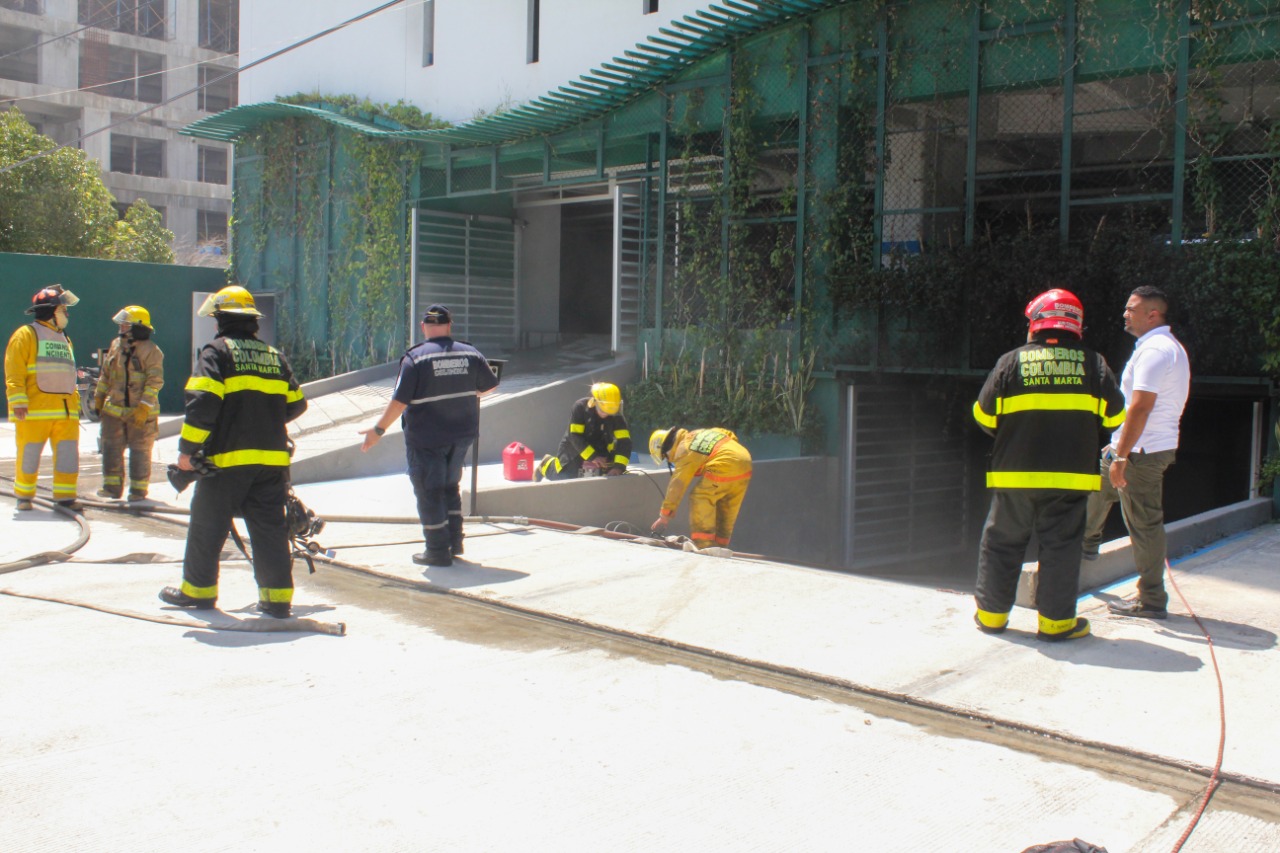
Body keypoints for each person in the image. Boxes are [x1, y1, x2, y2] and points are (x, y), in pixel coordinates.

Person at [972, 288, 1126, 642]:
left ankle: (992, 617)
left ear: (1037, 323)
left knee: (1002, 543)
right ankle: (1056, 624)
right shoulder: (1094, 364)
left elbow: (983, 415)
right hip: (1070, 481)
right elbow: (1115, 414)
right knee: (1061, 548)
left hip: (1014, 475)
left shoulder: (1010, 361)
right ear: (1076, 326)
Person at [159, 286, 307, 618]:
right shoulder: (274, 356)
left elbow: (202, 405)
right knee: (270, 530)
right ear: (252, 322)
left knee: (207, 526)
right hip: (271, 463)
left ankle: (197, 593)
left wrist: (187, 452)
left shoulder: (216, 352)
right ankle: (277, 600)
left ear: (222, 320)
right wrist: (264, 417)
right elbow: (297, 404)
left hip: (224, 463)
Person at [360, 304, 499, 567]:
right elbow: (490, 385)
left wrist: (377, 431)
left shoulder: (415, 359)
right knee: (450, 486)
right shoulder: (470, 353)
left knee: (429, 489)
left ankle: (437, 550)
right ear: (449, 326)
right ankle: (454, 542)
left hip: (427, 438)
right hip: (462, 436)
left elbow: (399, 402)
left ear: (424, 327)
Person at [1083, 285, 1191, 620]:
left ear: (1152, 314)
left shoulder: (1156, 351)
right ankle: (1085, 545)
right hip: (1139, 446)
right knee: (1097, 488)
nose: (1125, 313)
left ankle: (1152, 599)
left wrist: (1122, 456)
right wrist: (1116, 448)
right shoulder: (1161, 347)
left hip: (1142, 452)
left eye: (1131, 309)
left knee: (1143, 523)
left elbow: (1140, 408)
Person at [4, 284, 82, 510]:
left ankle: (66, 498)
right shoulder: (26, 335)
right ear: (52, 311)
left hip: (66, 414)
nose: (66, 314)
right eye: (63, 309)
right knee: (29, 457)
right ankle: (24, 498)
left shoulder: (65, 338)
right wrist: (17, 401)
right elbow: (14, 371)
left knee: (68, 458)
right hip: (34, 412)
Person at [93, 305, 164, 501]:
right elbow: (106, 375)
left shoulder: (152, 351)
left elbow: (154, 381)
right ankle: (111, 489)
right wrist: (99, 398)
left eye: (126, 324)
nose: (122, 327)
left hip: (141, 414)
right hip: (114, 412)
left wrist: (143, 407)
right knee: (111, 449)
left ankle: (138, 491)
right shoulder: (116, 345)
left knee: (140, 451)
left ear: (137, 327)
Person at [648, 426, 753, 550]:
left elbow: (678, 484)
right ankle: (721, 546)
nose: (670, 460)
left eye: (666, 457)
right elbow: (730, 434)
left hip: (725, 464)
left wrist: (665, 515)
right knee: (726, 506)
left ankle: (704, 545)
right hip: (745, 462)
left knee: (700, 497)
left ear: (666, 449)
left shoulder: (684, 449)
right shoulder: (701, 433)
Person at [536, 382, 632, 480]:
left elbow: (624, 442)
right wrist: (593, 457)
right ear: (595, 402)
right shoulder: (580, 408)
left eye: (609, 412)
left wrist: (619, 467)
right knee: (566, 478)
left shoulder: (616, 416)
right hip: (575, 450)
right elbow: (574, 436)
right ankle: (547, 464)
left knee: (601, 480)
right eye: (602, 410)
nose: (606, 415)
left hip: (601, 450)